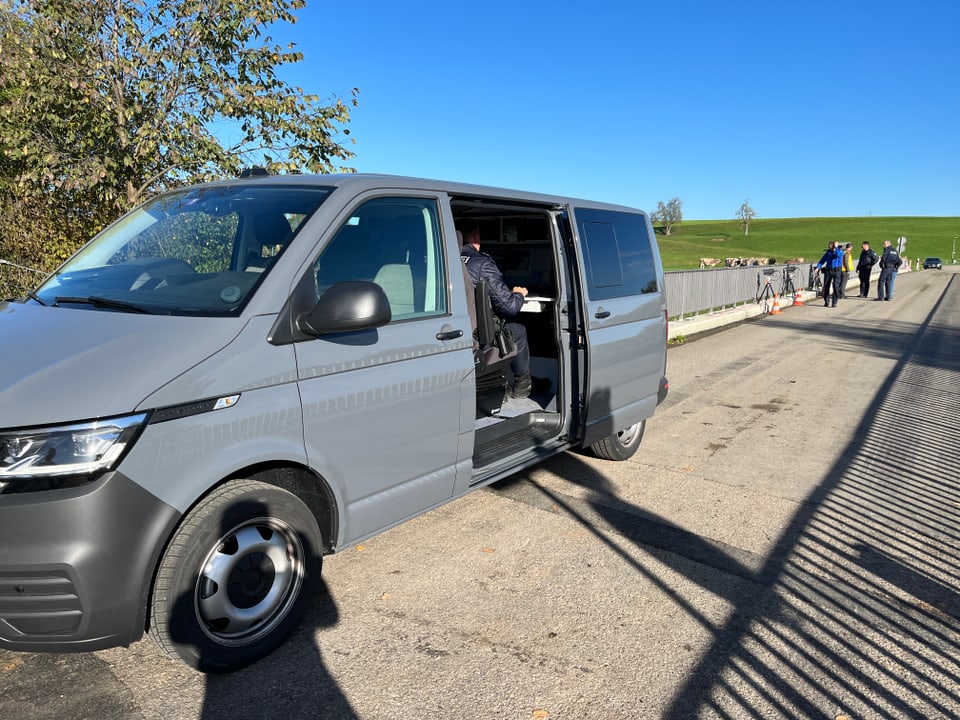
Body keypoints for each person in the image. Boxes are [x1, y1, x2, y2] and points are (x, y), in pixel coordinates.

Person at [458, 218, 532, 398]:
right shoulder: (482, 263)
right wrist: (519, 294)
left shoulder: (446, 260)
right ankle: (523, 385)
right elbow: (510, 307)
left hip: (460, 331)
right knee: (518, 331)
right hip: (480, 337)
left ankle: (504, 383)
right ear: (476, 235)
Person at [814, 241, 844, 308]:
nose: (829, 247)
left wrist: (835, 248)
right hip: (828, 271)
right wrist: (818, 267)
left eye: (831, 246)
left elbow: (837, 255)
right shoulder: (828, 252)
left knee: (835, 286)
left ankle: (834, 302)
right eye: (829, 246)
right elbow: (822, 260)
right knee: (826, 285)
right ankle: (826, 301)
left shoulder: (839, 251)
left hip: (837, 271)